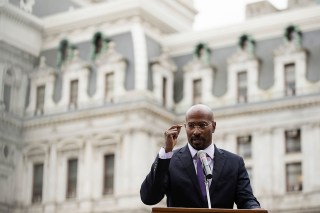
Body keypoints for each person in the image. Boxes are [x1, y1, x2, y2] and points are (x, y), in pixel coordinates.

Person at [140, 104, 261, 209]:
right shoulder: (169, 160)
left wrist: (254, 208)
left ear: (213, 126)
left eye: (202, 125)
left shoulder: (235, 162)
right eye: (191, 125)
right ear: (185, 127)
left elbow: (246, 200)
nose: (196, 131)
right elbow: (149, 198)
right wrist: (166, 152)